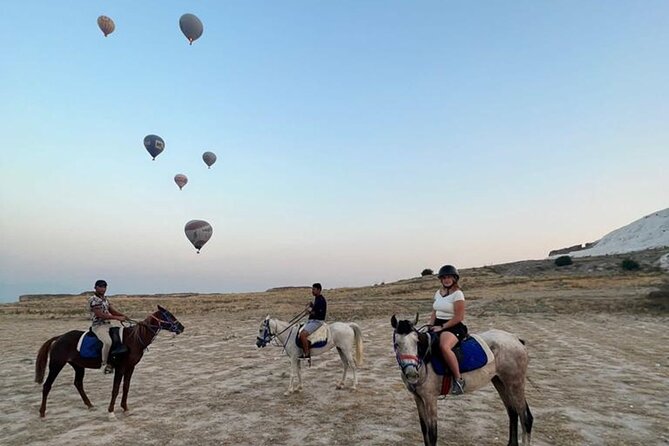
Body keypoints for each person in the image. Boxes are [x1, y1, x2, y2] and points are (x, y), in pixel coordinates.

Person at [428, 265, 468, 395]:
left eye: (449, 277)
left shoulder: (458, 294)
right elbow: (435, 312)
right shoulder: (438, 293)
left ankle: (458, 379)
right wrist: (430, 325)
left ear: (454, 279)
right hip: (438, 324)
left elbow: (459, 316)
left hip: (453, 326)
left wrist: (442, 327)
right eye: (444, 277)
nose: (446, 280)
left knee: (444, 346)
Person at [88, 279, 128, 374]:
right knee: (108, 342)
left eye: (104, 287)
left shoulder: (105, 299)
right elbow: (100, 315)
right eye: (100, 286)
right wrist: (117, 318)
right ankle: (104, 364)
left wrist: (124, 316)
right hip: (98, 326)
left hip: (108, 325)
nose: (103, 289)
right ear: (95, 287)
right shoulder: (93, 299)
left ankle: (114, 361)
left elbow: (112, 310)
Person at [299, 283, 327, 361]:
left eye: (314, 289)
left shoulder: (321, 300)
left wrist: (310, 311)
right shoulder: (317, 299)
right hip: (312, 321)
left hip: (317, 322)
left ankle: (307, 353)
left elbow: (318, 313)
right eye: (312, 289)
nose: (312, 291)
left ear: (319, 290)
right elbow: (315, 310)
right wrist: (310, 307)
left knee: (303, 335)